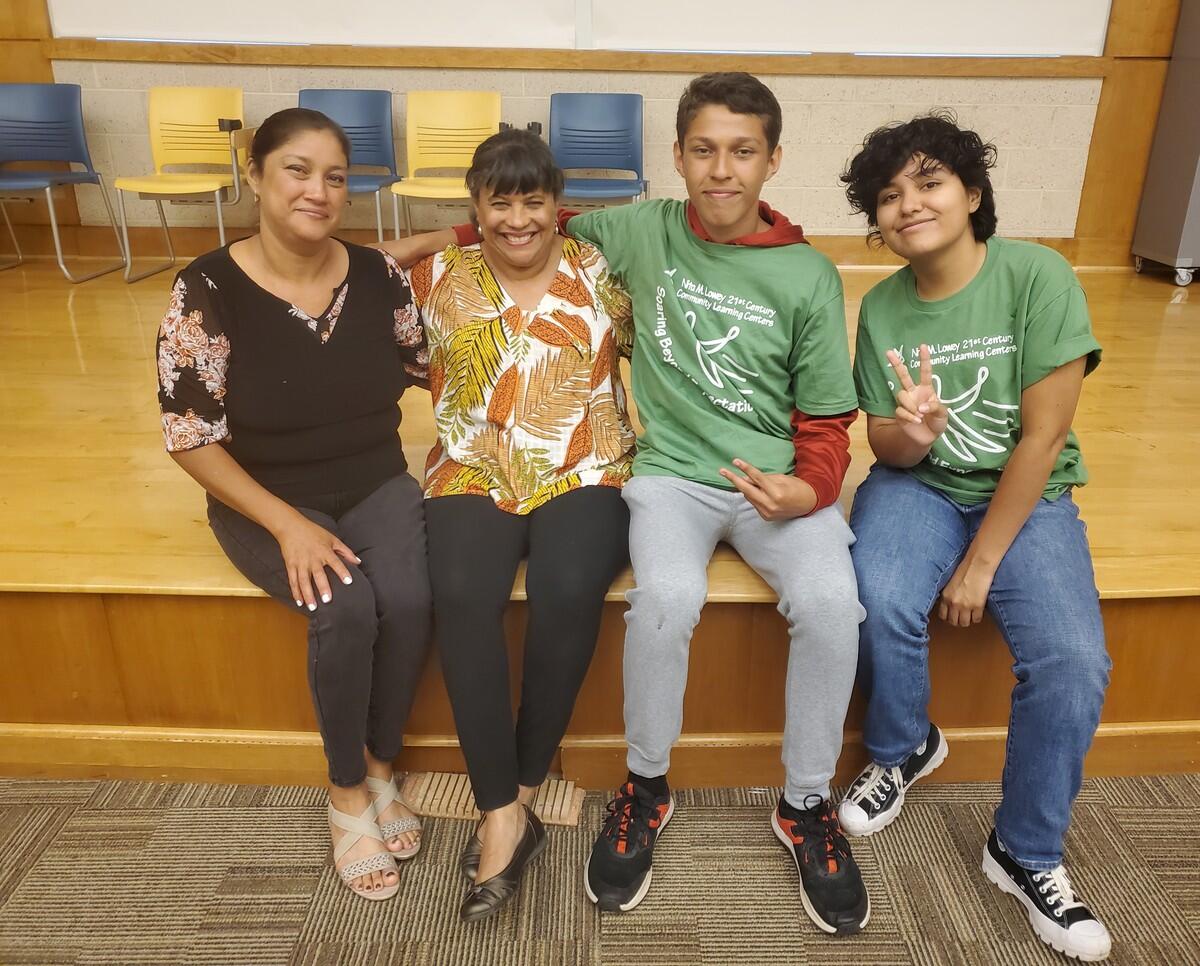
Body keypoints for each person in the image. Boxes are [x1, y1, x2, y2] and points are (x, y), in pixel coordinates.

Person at [532, 73, 869, 933]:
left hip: (777, 488)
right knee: (666, 601)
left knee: (834, 604)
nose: (723, 169)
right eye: (705, 149)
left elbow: (829, 419)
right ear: (678, 157)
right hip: (673, 476)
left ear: (773, 160)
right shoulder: (640, 228)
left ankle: (803, 804)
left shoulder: (806, 275)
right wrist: (427, 240)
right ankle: (645, 787)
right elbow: (531, 219)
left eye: (743, 151)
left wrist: (810, 489)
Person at [836, 112, 1112, 961]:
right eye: (889, 195)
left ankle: (1024, 851)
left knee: (1072, 658)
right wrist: (913, 434)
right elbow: (881, 443)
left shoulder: (1037, 274)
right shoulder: (882, 306)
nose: (909, 204)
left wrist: (980, 565)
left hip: (1026, 497)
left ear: (972, 193)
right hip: (917, 487)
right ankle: (902, 747)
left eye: (929, 182)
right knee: (875, 594)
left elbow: (1041, 437)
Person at [155, 108, 434, 902]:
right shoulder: (205, 288)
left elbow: (430, 370)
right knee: (346, 608)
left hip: (376, 477)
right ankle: (346, 792)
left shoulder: (378, 277)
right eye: (297, 170)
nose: (318, 190)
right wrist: (286, 525)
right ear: (256, 175)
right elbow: (188, 434)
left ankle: (382, 761)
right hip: (265, 495)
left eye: (335, 176)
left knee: (411, 596)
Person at [403, 129, 636, 923]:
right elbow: (351, 272)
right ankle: (499, 809)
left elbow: (661, 357)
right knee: (463, 595)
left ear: (555, 202)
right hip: (471, 465)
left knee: (570, 589)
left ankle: (526, 782)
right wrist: (446, 235)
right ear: (474, 206)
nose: (516, 219)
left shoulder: (600, 271)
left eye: (532, 200)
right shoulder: (437, 277)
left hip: (587, 464)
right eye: (497, 202)